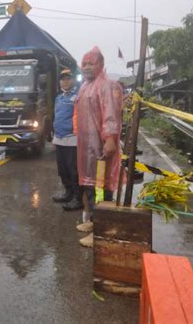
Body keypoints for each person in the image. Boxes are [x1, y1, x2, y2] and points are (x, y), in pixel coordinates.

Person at [75, 47, 123, 247]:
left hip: (101, 148)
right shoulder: (85, 86)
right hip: (86, 149)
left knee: (102, 189)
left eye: (90, 63)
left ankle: (102, 231)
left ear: (100, 65)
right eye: (84, 63)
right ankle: (94, 222)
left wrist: (110, 138)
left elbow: (111, 114)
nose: (86, 67)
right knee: (90, 186)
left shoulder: (107, 85)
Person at [52, 68, 82, 211]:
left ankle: (78, 198)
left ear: (73, 79)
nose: (65, 81)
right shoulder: (59, 98)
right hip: (59, 139)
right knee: (62, 169)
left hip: (72, 139)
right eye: (63, 79)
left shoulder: (78, 96)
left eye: (68, 78)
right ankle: (68, 193)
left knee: (73, 170)